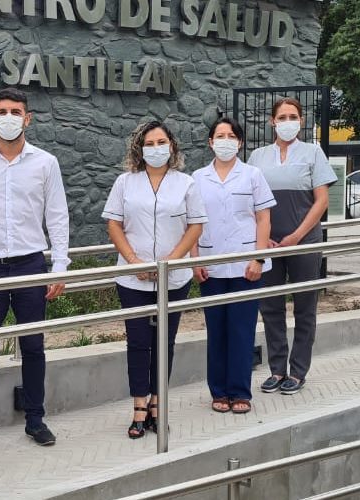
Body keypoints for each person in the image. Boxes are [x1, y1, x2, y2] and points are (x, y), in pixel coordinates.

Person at [0, 87, 69, 451]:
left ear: (28, 118)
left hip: (30, 265)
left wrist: (60, 266)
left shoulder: (46, 163)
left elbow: (57, 216)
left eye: (15, 111)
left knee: (33, 345)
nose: (9, 118)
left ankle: (35, 420)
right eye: (2, 111)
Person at [102, 121, 207, 439]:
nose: (156, 148)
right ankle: (138, 406)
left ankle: (158, 404)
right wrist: (133, 261)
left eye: (161, 142)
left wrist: (170, 260)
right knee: (137, 342)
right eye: (149, 143)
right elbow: (114, 224)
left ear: (172, 146)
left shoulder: (186, 184)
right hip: (132, 279)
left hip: (173, 278)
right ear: (139, 148)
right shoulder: (125, 182)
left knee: (165, 342)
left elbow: (196, 225)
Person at [247, 97, 337, 396]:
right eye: (282, 117)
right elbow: (250, 200)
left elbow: (321, 201)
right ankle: (277, 369)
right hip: (269, 245)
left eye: (293, 117)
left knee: (304, 307)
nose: (288, 122)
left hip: (304, 242)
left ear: (301, 120)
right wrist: (264, 239)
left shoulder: (313, 153)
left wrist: (297, 236)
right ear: (272, 121)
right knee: (271, 306)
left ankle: (298, 371)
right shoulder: (257, 157)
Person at [190, 117, 275, 415]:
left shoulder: (253, 175)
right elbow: (192, 222)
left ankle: (240, 392)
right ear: (210, 142)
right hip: (210, 264)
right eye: (219, 136)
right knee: (216, 330)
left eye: (231, 136)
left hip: (246, 265)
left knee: (241, 330)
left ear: (239, 142)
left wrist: (258, 258)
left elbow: (263, 219)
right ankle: (218, 391)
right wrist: (194, 260)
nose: (225, 141)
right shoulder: (197, 178)